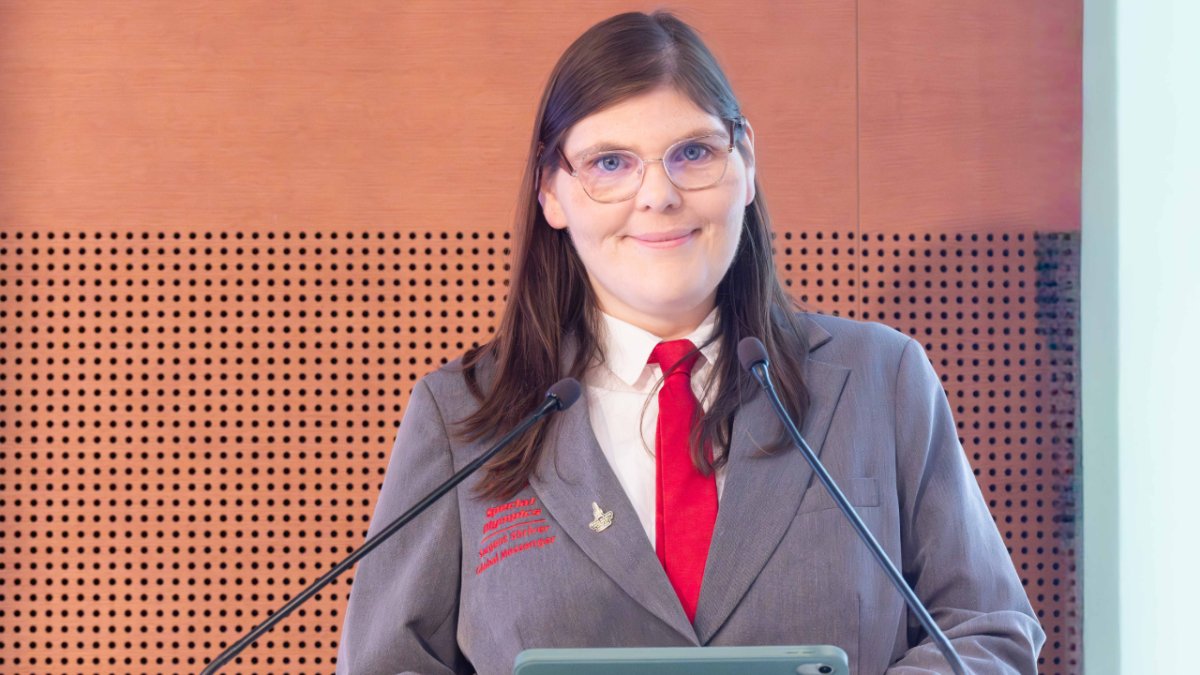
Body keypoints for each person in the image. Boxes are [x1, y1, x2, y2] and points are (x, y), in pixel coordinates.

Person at [336, 11, 1045, 675]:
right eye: (611, 163)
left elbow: (989, 631)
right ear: (553, 193)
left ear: (745, 165)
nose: (659, 195)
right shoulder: (463, 415)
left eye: (693, 152)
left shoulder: (881, 379)